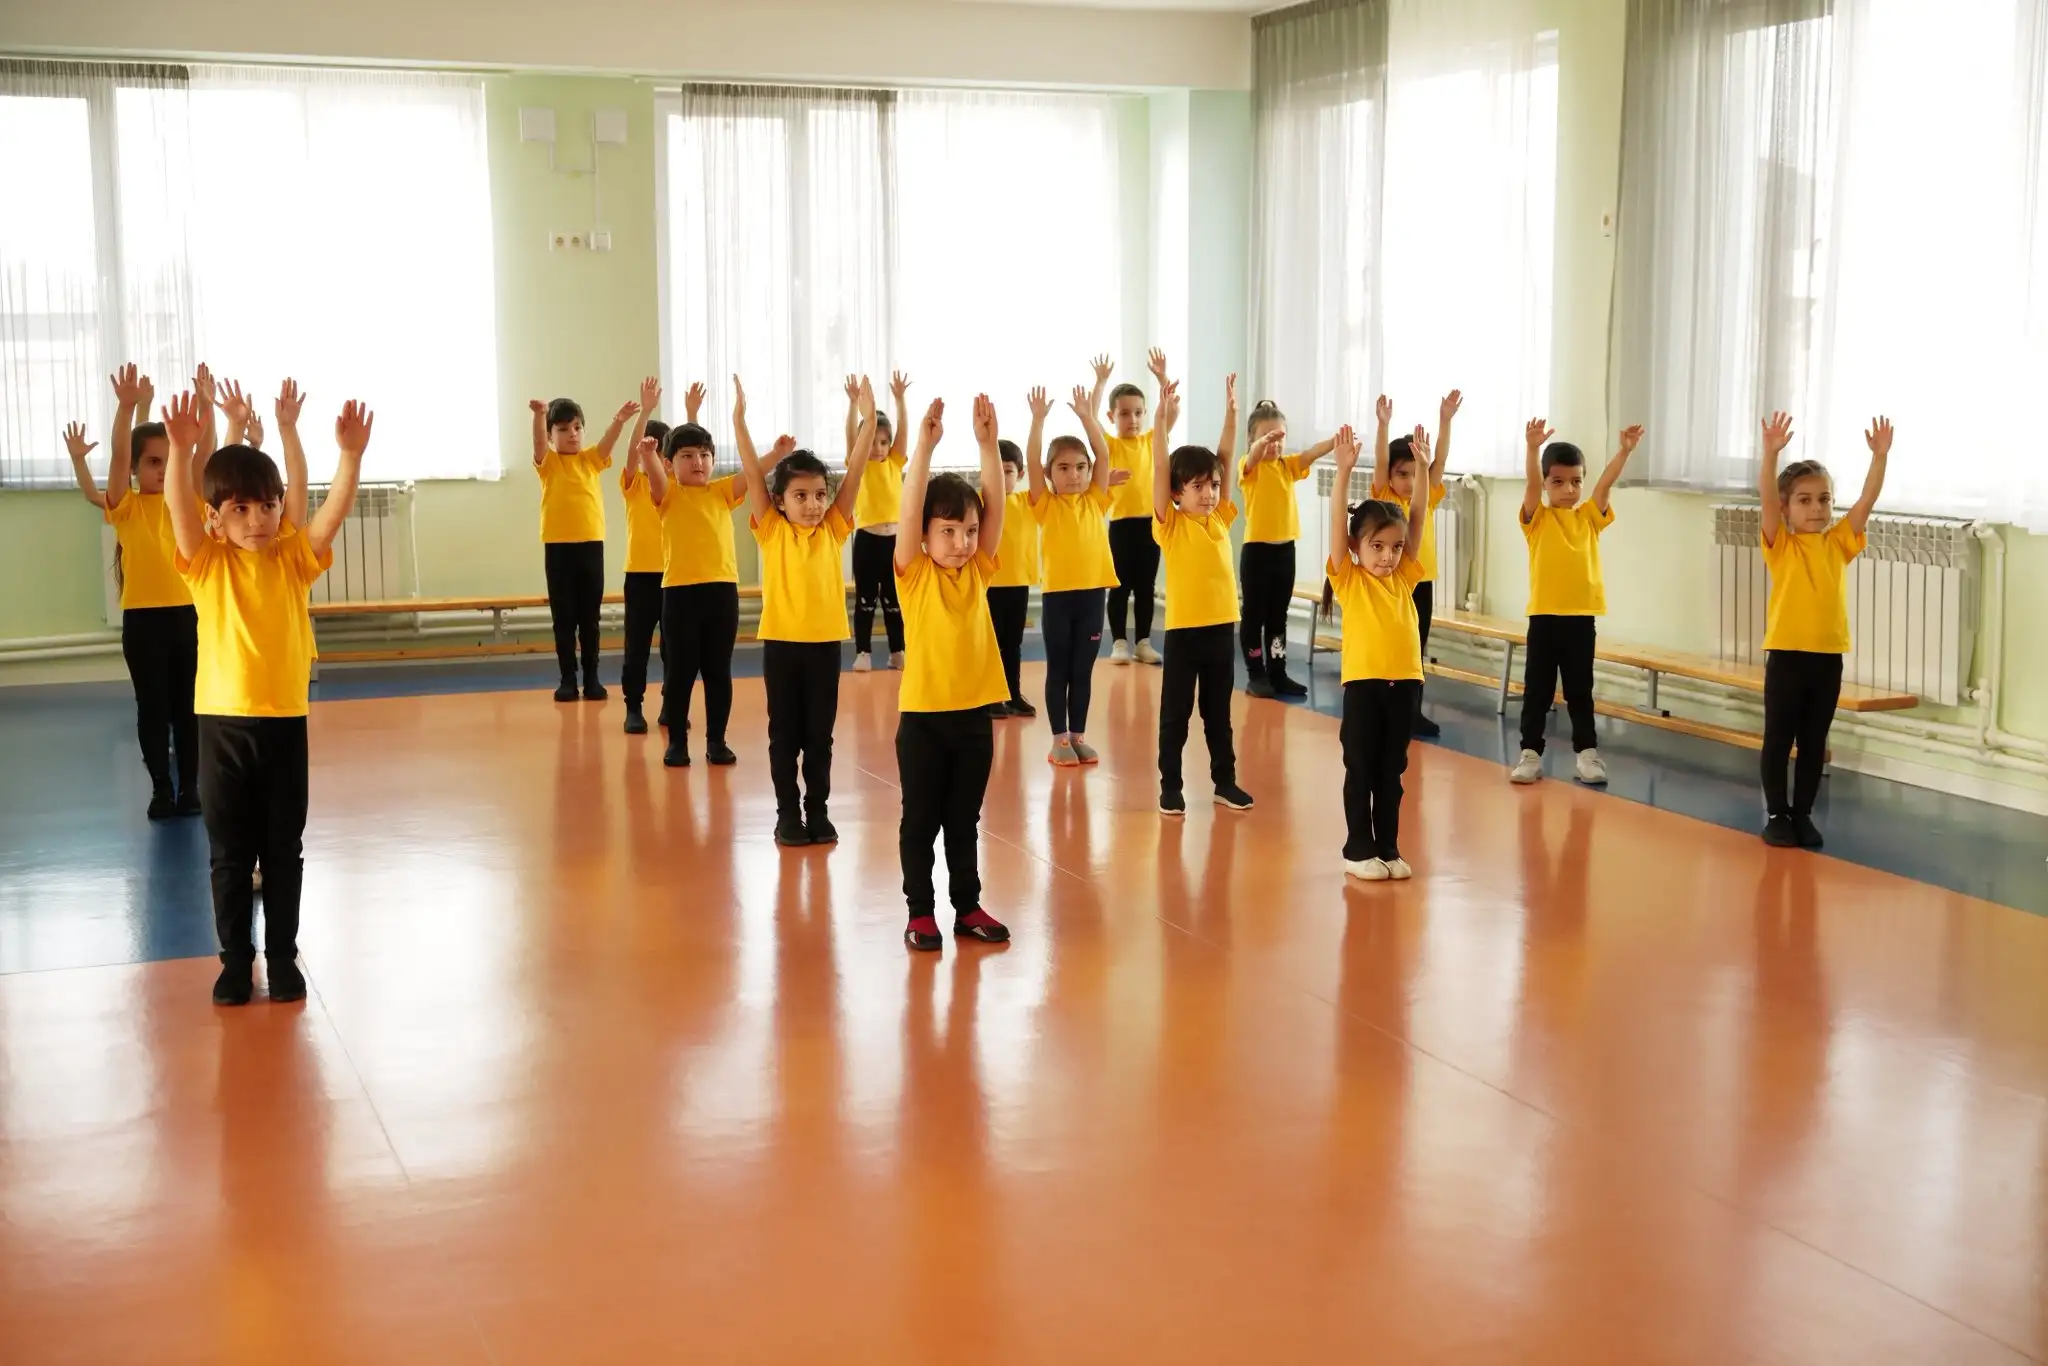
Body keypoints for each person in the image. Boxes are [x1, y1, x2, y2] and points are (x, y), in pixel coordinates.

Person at [161, 380, 373, 1006]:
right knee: (229, 855)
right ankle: (235, 962)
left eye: (266, 507)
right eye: (239, 509)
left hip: (282, 723)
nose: (256, 520)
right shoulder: (206, 563)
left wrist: (350, 457)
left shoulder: (292, 558)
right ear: (216, 518)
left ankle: (282, 958)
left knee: (284, 850)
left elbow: (331, 513)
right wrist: (181, 451)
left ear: (280, 508)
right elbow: (178, 509)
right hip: (221, 726)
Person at [892, 394, 1014, 951]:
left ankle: (967, 906)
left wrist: (988, 446)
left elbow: (996, 507)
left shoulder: (978, 571)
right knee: (921, 821)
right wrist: (923, 445)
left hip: (972, 719)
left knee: (964, 821)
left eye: (968, 531)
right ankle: (921, 912)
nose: (962, 543)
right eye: (948, 531)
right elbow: (909, 505)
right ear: (924, 535)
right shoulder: (913, 573)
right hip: (922, 721)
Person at [735, 374, 874, 846]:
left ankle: (818, 811)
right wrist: (739, 421)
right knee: (784, 737)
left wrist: (867, 418)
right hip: (781, 647)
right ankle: (786, 814)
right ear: (779, 501)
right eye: (800, 496)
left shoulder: (833, 528)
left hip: (823, 647)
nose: (813, 505)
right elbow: (752, 469)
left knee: (819, 738)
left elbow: (856, 473)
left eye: (819, 495)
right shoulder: (771, 529)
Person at [67, 363, 205, 818]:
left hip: (187, 616)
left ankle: (190, 789)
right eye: (152, 462)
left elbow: (201, 455)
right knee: (153, 708)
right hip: (143, 622)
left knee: (187, 709)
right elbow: (118, 457)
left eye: (168, 461)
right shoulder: (125, 506)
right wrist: (126, 409)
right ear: (135, 468)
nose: (162, 470)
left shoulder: (187, 502)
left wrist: (205, 407)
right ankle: (162, 788)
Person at [1756, 411, 1891, 849]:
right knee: (1779, 739)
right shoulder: (1781, 544)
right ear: (1786, 508)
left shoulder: (1838, 543)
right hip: (1786, 656)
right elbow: (1765, 497)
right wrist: (1770, 454)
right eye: (1804, 500)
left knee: (1814, 741)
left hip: (1827, 658)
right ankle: (1777, 813)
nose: (1817, 508)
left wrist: (1879, 457)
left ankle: (1803, 814)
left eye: (1824, 499)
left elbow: (1867, 500)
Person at [1324, 402, 1431, 881]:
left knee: (1392, 773)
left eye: (1394, 548)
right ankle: (1357, 849)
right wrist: (1344, 472)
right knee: (1362, 768)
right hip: (1365, 686)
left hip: (1404, 684)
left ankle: (1387, 847)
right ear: (1356, 546)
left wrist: (1423, 469)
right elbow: (1337, 521)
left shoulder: (1404, 577)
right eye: (1377, 546)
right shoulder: (1349, 579)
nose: (1388, 557)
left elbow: (1418, 515)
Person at [1508, 419, 1643, 786]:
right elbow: (1531, 485)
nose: (1569, 489)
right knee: (1537, 691)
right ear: (1546, 483)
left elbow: (1605, 484)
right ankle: (1530, 754)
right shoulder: (1537, 519)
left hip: (1581, 619)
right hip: (1544, 618)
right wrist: (1532, 448)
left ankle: (1587, 754)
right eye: (1558, 482)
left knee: (1580, 691)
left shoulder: (1588, 518)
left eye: (1575, 481)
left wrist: (1625, 451)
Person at [1151, 365, 1255, 816]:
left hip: (1219, 630)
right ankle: (1170, 786)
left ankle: (1224, 782)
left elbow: (1226, 456)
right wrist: (1161, 419)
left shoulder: (1220, 519)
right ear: (1177, 492)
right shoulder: (1170, 525)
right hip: (1184, 634)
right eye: (1198, 487)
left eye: (1213, 485)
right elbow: (1159, 464)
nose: (1210, 493)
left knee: (1218, 715)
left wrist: (1232, 414)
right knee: (1176, 715)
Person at [639, 387, 743, 769]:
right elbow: (656, 476)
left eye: (704, 455)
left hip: (722, 592)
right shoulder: (669, 495)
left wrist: (776, 453)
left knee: (718, 671)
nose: (698, 462)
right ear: (671, 463)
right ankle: (678, 743)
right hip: (680, 595)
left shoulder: (722, 492)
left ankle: (717, 741)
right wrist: (648, 456)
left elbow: (752, 472)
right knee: (680, 672)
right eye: (687, 456)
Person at [1032, 380, 1126, 766]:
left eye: (1081, 467)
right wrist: (1038, 421)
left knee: (1083, 671)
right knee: (1060, 669)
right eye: (1064, 468)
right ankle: (1059, 739)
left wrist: (1088, 417)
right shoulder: (1044, 504)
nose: (1074, 475)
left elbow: (1103, 452)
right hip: (1058, 599)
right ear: (1049, 473)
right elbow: (1032, 459)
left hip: (1092, 597)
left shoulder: (1095, 499)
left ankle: (1078, 736)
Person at [530, 390, 639, 702]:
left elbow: (607, 443)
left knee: (590, 618)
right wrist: (539, 415)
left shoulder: (591, 460)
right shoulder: (549, 463)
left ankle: (592, 677)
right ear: (551, 436)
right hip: (558, 548)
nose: (572, 434)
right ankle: (568, 678)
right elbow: (537, 444)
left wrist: (619, 420)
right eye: (563, 429)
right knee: (563, 618)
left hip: (591, 546)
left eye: (577, 427)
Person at [1370, 390, 1460, 733]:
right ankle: (1383, 708)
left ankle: (1412, 711)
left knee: (1415, 646)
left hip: (1421, 581)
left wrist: (1445, 420)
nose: (1409, 482)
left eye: (1413, 473)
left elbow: (1440, 460)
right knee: (1390, 644)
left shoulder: (1427, 494)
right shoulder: (1384, 495)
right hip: (1392, 583)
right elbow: (1380, 460)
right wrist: (1383, 425)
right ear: (1390, 476)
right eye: (1401, 474)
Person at [1235, 398, 1334, 699]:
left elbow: (1310, 454)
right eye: (1267, 437)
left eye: (1279, 437)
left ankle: (1277, 673)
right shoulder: (1249, 467)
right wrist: (1262, 443)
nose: (1274, 443)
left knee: (1278, 616)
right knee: (1254, 616)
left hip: (1284, 552)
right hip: (1257, 553)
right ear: (1252, 439)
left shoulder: (1286, 466)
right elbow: (1253, 455)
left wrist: (1335, 441)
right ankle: (1256, 674)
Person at [618, 376, 675, 735]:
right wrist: (645, 413)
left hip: (675, 576)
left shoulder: (676, 489)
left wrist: (691, 414)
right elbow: (630, 454)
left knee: (675, 648)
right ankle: (634, 706)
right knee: (637, 646)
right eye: (646, 452)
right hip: (640, 576)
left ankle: (671, 704)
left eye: (658, 452)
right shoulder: (634, 484)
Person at [1103, 351, 1167, 665]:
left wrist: (1162, 379)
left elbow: (1169, 412)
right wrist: (1100, 381)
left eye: (1139, 413)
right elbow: (1090, 422)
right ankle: (1118, 643)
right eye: (1125, 414)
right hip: (1121, 526)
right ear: (1112, 416)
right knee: (1119, 587)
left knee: (1146, 587)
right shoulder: (1111, 445)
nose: (1133, 420)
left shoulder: (1152, 440)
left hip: (1149, 525)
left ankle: (1143, 642)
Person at [849, 372, 911, 673]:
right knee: (866, 600)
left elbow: (904, 433)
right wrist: (853, 405)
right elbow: (852, 439)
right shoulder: (859, 464)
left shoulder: (895, 463)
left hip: (895, 541)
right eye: (872, 442)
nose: (878, 448)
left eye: (884, 442)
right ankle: (863, 651)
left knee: (893, 601)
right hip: (867, 540)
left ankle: (897, 651)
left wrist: (900, 400)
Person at [985, 433, 1039, 718]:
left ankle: (1013, 694)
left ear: (1020, 475)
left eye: (1007, 471)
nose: (1001, 477)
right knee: (991, 643)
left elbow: (1041, 469)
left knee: (1013, 643)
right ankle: (992, 697)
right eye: (994, 470)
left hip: (1018, 584)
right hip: (988, 585)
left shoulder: (1027, 501)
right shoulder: (980, 502)